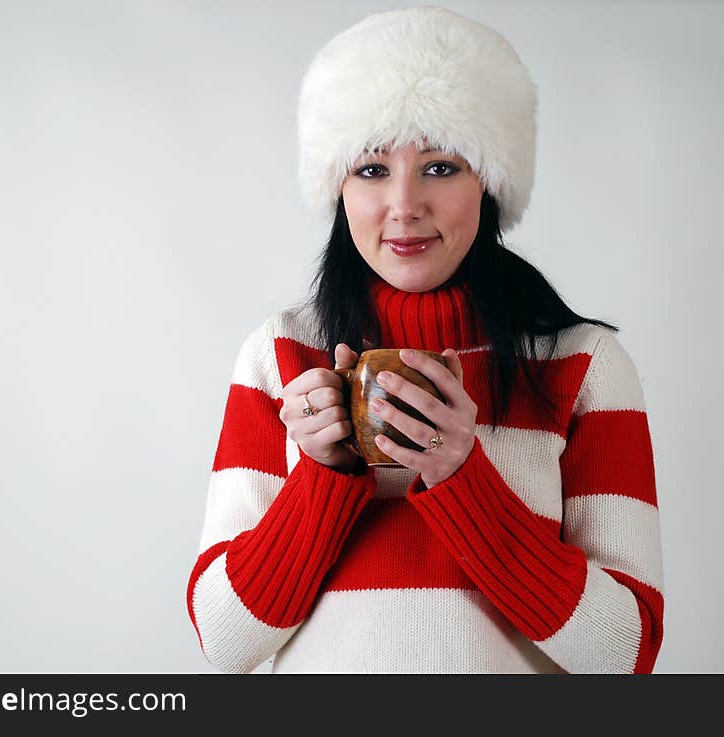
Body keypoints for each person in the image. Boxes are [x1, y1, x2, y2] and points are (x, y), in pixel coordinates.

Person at [186, 6, 664, 674]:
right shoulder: (280, 355)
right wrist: (324, 478)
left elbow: (626, 653)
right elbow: (223, 642)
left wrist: (460, 476)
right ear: (340, 187)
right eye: (372, 170)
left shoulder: (582, 367)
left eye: (441, 167)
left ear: (490, 184)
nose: (404, 205)